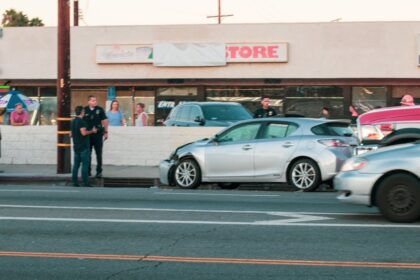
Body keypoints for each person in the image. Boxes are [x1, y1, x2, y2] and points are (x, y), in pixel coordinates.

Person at [71, 106, 97, 187]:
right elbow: (84, 133)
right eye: (83, 111)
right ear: (82, 112)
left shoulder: (72, 122)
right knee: (85, 165)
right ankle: (85, 182)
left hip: (76, 146)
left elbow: (70, 134)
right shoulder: (82, 122)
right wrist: (92, 131)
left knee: (76, 166)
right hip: (84, 147)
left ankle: (75, 182)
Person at [83, 95, 108, 178]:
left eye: (95, 100)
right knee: (88, 154)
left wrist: (106, 132)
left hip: (98, 135)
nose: (95, 102)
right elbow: (81, 122)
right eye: (93, 100)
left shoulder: (99, 110)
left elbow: (105, 121)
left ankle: (99, 171)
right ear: (89, 101)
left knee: (99, 153)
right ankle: (88, 171)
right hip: (88, 135)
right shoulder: (85, 110)